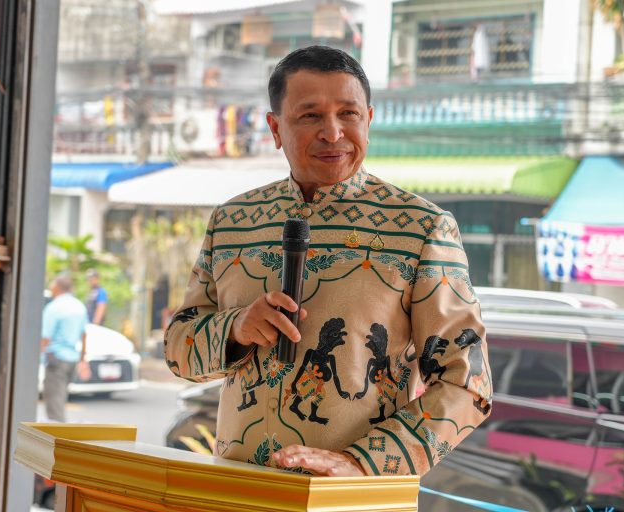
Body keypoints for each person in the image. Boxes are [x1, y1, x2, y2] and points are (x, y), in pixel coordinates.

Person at [164, 46, 492, 477]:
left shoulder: (422, 228)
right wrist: (236, 329)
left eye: (348, 114)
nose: (333, 133)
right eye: (311, 116)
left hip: (350, 497)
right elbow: (178, 350)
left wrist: (362, 463)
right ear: (275, 128)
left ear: (368, 120)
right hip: (240, 491)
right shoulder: (232, 222)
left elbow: (468, 383)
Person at [41, 273, 91, 422]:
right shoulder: (79, 306)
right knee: (60, 399)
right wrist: (83, 360)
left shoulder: (54, 307)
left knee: (54, 405)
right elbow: (84, 335)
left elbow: (45, 337)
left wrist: (39, 358)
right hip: (71, 360)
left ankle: (58, 434)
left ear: (57, 287)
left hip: (56, 359)